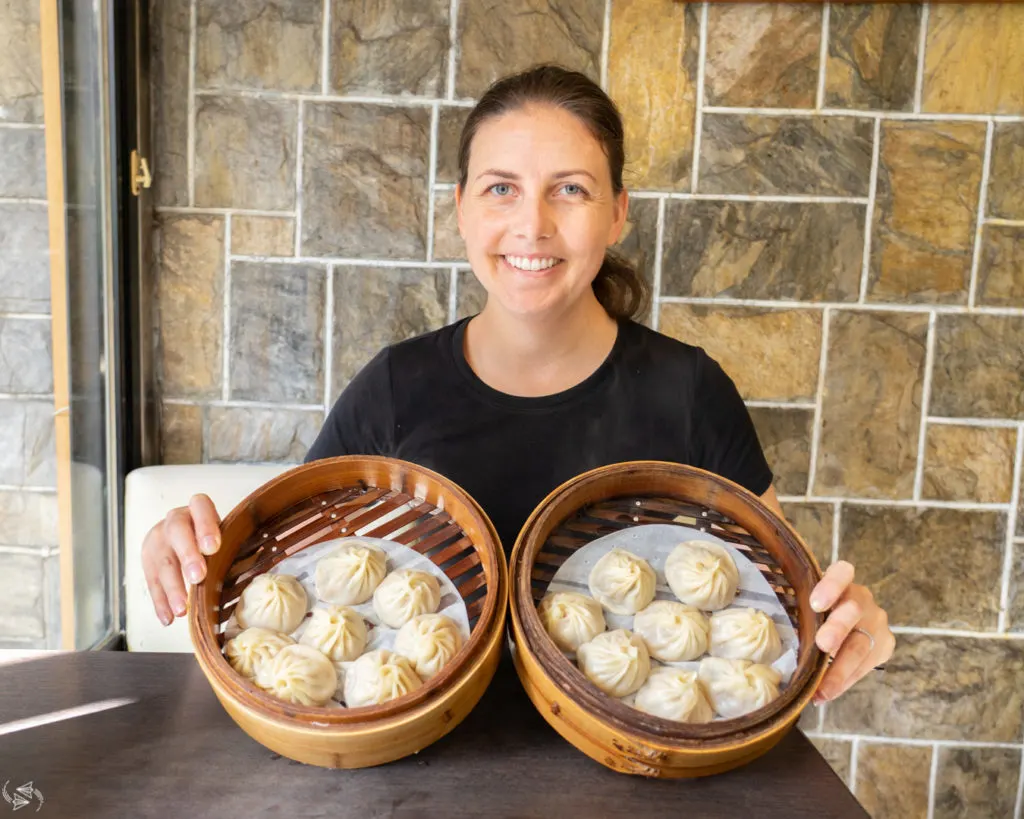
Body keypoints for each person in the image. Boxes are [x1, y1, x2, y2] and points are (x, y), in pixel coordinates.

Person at [142, 65, 894, 705]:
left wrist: (844, 623)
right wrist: (191, 548)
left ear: (618, 214)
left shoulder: (689, 391)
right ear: (462, 208)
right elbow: (290, 584)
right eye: (502, 188)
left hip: (636, 776)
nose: (532, 224)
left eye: (569, 189)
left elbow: (784, 601)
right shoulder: (397, 387)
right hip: (417, 773)